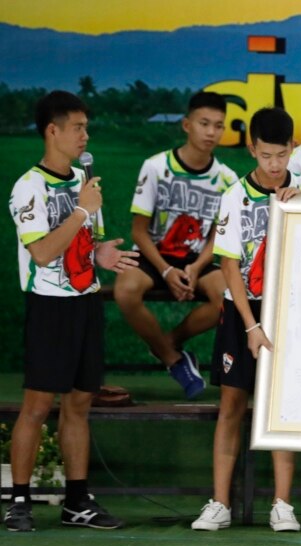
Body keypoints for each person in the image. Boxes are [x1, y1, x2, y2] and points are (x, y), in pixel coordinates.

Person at [4, 90, 139, 532]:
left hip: (86, 302)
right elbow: (42, 253)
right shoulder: (29, 186)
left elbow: (84, 243)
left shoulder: (85, 183)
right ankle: (19, 502)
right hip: (49, 307)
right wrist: (82, 211)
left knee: (80, 403)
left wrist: (103, 255)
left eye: (86, 127)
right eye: (77, 127)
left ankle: (77, 501)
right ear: (52, 131)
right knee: (38, 406)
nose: (85, 135)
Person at [191, 107, 301, 532]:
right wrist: (250, 326)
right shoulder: (234, 194)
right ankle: (219, 504)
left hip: (289, 311)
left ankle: (283, 504)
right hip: (242, 310)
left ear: (293, 149)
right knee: (232, 404)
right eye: (265, 155)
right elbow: (229, 266)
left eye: (281, 155)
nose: (273, 165)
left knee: (280, 408)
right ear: (252, 150)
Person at [113, 91, 238, 399]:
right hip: (154, 255)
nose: (211, 132)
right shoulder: (156, 167)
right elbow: (139, 232)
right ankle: (174, 360)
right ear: (186, 124)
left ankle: (169, 343)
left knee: (230, 295)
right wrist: (167, 270)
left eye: (218, 126)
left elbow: (217, 236)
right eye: (204, 123)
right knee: (125, 290)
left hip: (197, 257)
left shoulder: (226, 178)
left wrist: (195, 267)